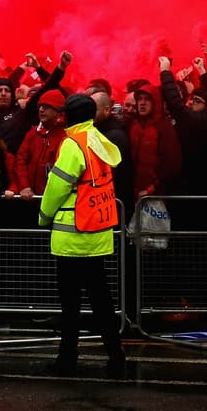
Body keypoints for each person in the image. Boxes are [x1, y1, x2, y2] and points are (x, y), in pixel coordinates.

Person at [38, 93, 126, 378]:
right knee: (103, 303)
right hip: (98, 233)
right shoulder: (98, 140)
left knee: (70, 305)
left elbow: (57, 187)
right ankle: (116, 358)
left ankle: (67, 360)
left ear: (68, 116)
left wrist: (43, 216)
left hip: (73, 236)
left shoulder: (73, 144)